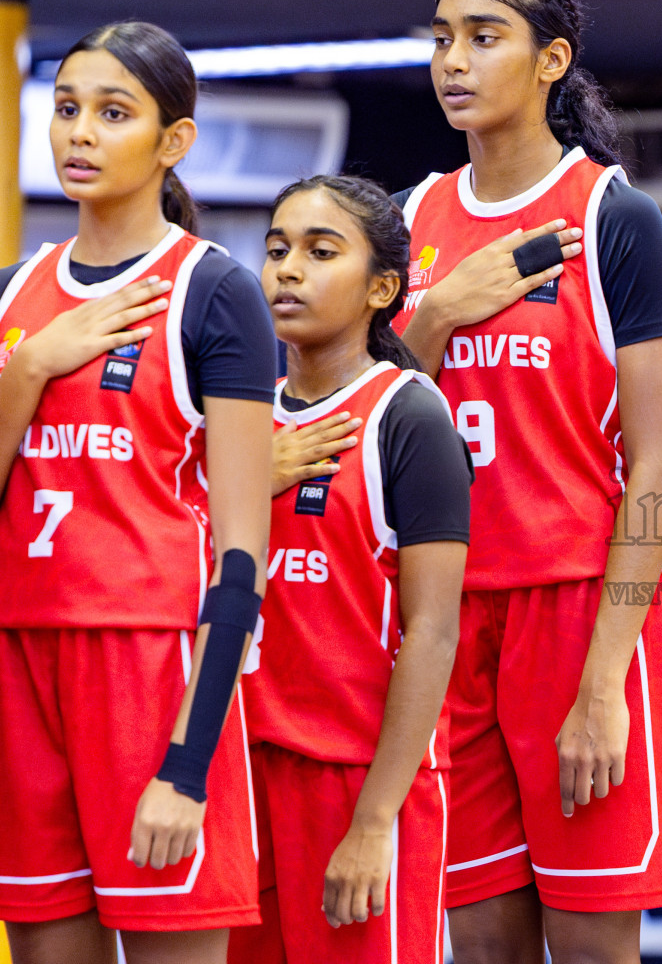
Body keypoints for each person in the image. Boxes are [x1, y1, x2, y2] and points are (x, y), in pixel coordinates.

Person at [391, 0, 662, 962]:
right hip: (443, 617)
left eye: (483, 36)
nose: (454, 62)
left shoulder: (613, 217)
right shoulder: (409, 218)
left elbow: (659, 468)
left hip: (575, 615)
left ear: (551, 58)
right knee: (476, 941)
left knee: (595, 942)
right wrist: (434, 317)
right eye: (440, 39)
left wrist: (607, 678)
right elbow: (365, 418)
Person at [0, 22, 275, 964]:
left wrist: (187, 768)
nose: (79, 133)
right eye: (67, 108)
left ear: (173, 141)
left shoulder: (212, 291)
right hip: (21, 661)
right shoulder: (8, 298)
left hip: (153, 674)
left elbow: (243, 554)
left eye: (113, 113)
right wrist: (27, 374)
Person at [224, 176, 473, 964]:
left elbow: (432, 634)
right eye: (276, 249)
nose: (288, 270)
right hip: (240, 776)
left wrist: (374, 822)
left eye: (319, 251)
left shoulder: (409, 414)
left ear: (382, 288)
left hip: (356, 782)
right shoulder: (235, 420)